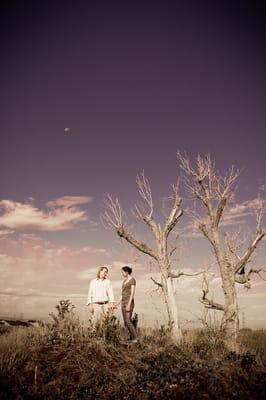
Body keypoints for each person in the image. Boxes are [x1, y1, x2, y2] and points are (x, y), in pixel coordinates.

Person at [115, 266, 137, 343]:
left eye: (122, 272)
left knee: (128, 321)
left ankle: (134, 338)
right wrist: (117, 303)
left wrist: (129, 304)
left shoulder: (132, 280)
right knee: (125, 322)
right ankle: (127, 338)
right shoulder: (124, 281)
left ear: (127, 272)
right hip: (123, 302)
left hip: (129, 302)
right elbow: (122, 294)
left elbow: (132, 294)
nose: (122, 273)